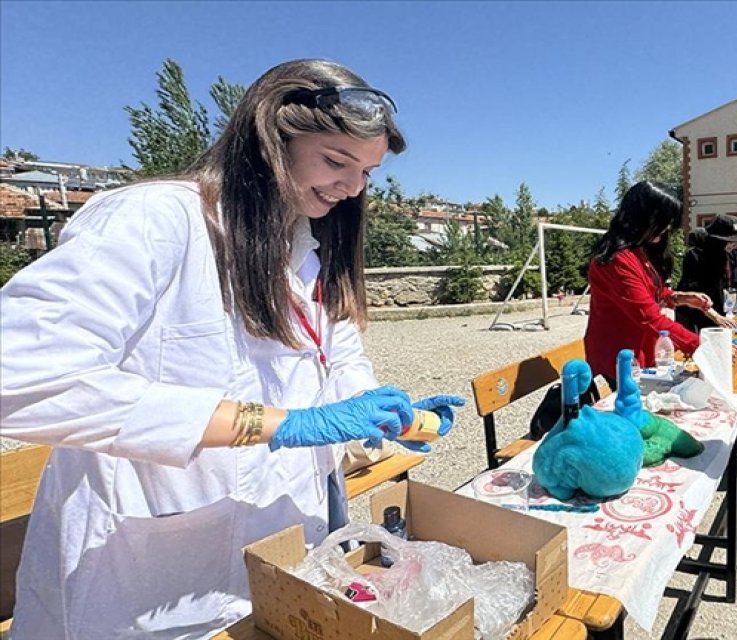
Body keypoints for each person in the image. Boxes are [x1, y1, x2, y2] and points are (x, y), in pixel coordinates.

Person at [0, 59, 467, 638]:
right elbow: (19, 377)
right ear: (269, 141)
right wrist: (279, 424)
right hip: (147, 584)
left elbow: (333, 359)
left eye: (367, 171)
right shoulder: (155, 220)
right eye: (335, 161)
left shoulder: (306, 249)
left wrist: (374, 408)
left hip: (278, 552)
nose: (352, 188)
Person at [585, 182, 709, 384]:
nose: (668, 227)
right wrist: (700, 346)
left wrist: (678, 298)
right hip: (620, 359)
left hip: (640, 354)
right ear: (642, 217)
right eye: (664, 220)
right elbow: (648, 316)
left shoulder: (638, 251)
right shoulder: (617, 260)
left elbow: (648, 292)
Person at [673, 214, 737, 333]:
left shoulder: (730, 255)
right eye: (732, 242)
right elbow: (691, 292)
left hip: (723, 314)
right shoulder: (695, 256)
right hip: (699, 317)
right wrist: (714, 315)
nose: (735, 245)